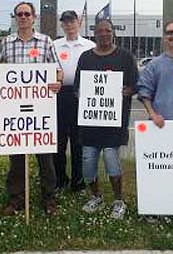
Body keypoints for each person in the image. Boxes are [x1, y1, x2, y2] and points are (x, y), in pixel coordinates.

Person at [0, 1, 62, 216]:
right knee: (16, 160)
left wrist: (57, 81)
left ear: (34, 17)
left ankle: (49, 199)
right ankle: (16, 200)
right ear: (15, 17)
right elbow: (1, 70)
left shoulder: (46, 41)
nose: (23, 17)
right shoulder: (7, 42)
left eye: (27, 13)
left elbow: (58, 70)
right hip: (15, 110)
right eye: (19, 14)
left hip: (41, 110)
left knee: (46, 160)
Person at [74, 18, 138, 220]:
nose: (103, 34)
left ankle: (119, 201)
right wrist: (83, 95)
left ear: (113, 33)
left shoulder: (125, 57)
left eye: (107, 31)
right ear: (94, 34)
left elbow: (135, 85)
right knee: (88, 163)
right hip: (90, 123)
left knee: (112, 162)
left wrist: (127, 91)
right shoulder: (85, 57)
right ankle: (96, 196)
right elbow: (77, 87)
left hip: (114, 124)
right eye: (100, 31)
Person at [53, 10, 95, 193]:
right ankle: (60, 180)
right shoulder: (54, 45)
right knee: (59, 142)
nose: (69, 25)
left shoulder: (89, 45)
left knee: (79, 142)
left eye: (72, 21)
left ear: (79, 22)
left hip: (82, 96)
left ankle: (78, 183)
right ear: (61, 24)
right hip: (59, 95)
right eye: (65, 22)